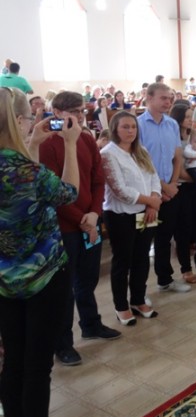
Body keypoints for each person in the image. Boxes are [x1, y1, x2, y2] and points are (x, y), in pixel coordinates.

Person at [0, 87, 80, 417]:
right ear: (19, 120)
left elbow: (24, 195)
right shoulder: (27, 172)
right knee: (36, 366)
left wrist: (32, 145)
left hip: (4, 280)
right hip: (44, 277)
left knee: (13, 361)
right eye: (29, 119)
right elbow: (68, 192)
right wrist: (72, 144)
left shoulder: (21, 167)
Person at [38, 91, 120, 368]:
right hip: (64, 226)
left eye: (84, 112)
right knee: (64, 288)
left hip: (89, 221)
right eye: (76, 112)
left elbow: (98, 180)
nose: (82, 117)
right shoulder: (47, 144)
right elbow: (52, 194)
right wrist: (82, 219)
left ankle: (91, 323)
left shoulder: (86, 138)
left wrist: (95, 214)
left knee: (87, 279)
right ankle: (63, 343)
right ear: (58, 113)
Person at [101, 112, 160, 325]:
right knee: (122, 261)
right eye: (125, 127)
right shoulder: (108, 154)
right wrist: (150, 202)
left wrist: (154, 199)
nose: (130, 131)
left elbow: (154, 177)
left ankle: (137, 299)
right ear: (115, 129)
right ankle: (121, 306)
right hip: (121, 215)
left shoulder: (141, 151)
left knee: (142, 257)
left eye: (133, 127)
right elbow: (120, 190)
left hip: (147, 211)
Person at [137, 83, 190, 293]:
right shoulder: (138, 124)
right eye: (163, 98)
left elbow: (177, 157)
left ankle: (165, 279)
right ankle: (138, 292)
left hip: (170, 189)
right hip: (148, 192)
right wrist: (162, 188)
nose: (168, 102)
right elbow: (140, 162)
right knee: (143, 242)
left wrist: (173, 184)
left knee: (165, 238)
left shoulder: (171, 125)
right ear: (149, 98)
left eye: (170, 98)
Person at [170, 103, 196, 283]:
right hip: (183, 188)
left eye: (190, 116)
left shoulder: (194, 135)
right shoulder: (173, 138)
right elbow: (177, 169)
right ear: (178, 118)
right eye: (187, 117)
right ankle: (186, 269)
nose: (190, 120)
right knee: (184, 228)